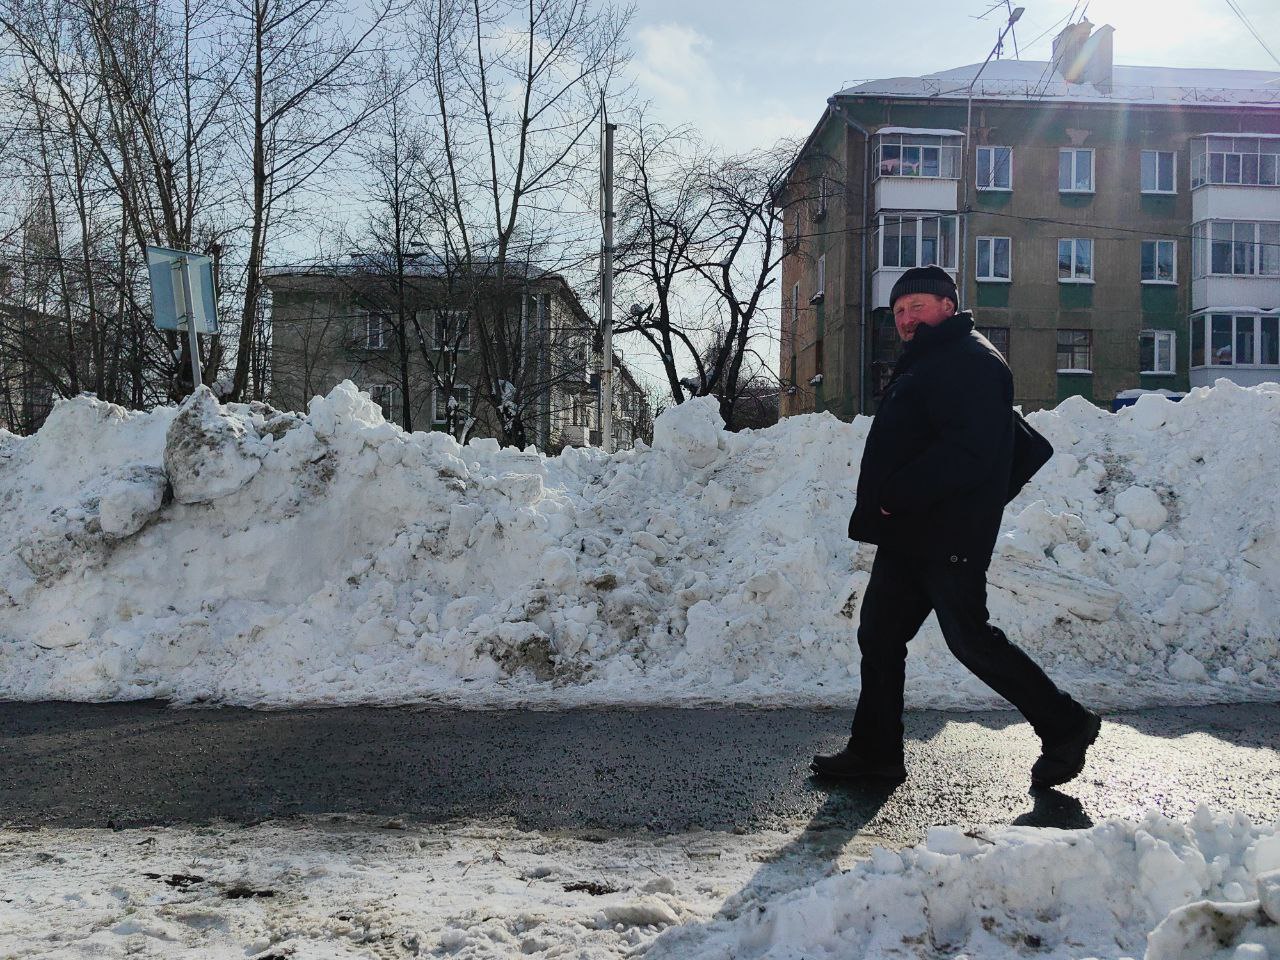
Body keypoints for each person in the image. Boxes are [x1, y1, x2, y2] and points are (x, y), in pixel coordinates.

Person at [812, 264, 1100, 790]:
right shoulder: (930, 360)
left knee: (970, 639)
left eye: (915, 306)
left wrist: (896, 493)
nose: (904, 319)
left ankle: (1066, 724)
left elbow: (970, 453)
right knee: (878, 635)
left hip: (947, 535)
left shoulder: (970, 360)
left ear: (948, 304)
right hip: (911, 534)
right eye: (898, 312)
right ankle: (875, 750)